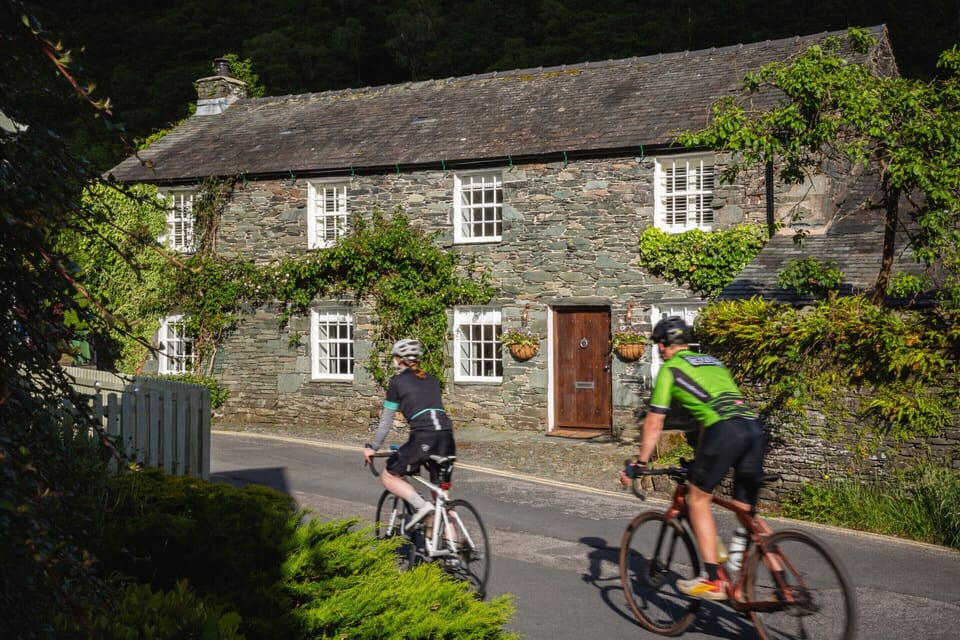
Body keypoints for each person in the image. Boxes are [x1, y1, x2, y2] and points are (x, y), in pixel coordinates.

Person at [620, 316, 766, 601]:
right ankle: (782, 578)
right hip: (753, 428)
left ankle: (713, 580)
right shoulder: (713, 362)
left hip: (724, 431)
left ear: (665, 345)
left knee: (697, 499)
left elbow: (654, 422)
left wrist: (640, 463)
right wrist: (700, 457)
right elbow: (712, 407)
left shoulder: (671, 369)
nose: (659, 351)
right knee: (744, 511)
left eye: (659, 346)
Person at [364, 338, 455, 527]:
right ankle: (455, 549)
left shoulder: (397, 383)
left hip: (424, 438)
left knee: (389, 476)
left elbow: (387, 420)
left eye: (395, 358)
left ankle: (422, 507)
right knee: (442, 501)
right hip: (447, 438)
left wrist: (373, 447)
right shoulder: (431, 379)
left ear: (399, 359)